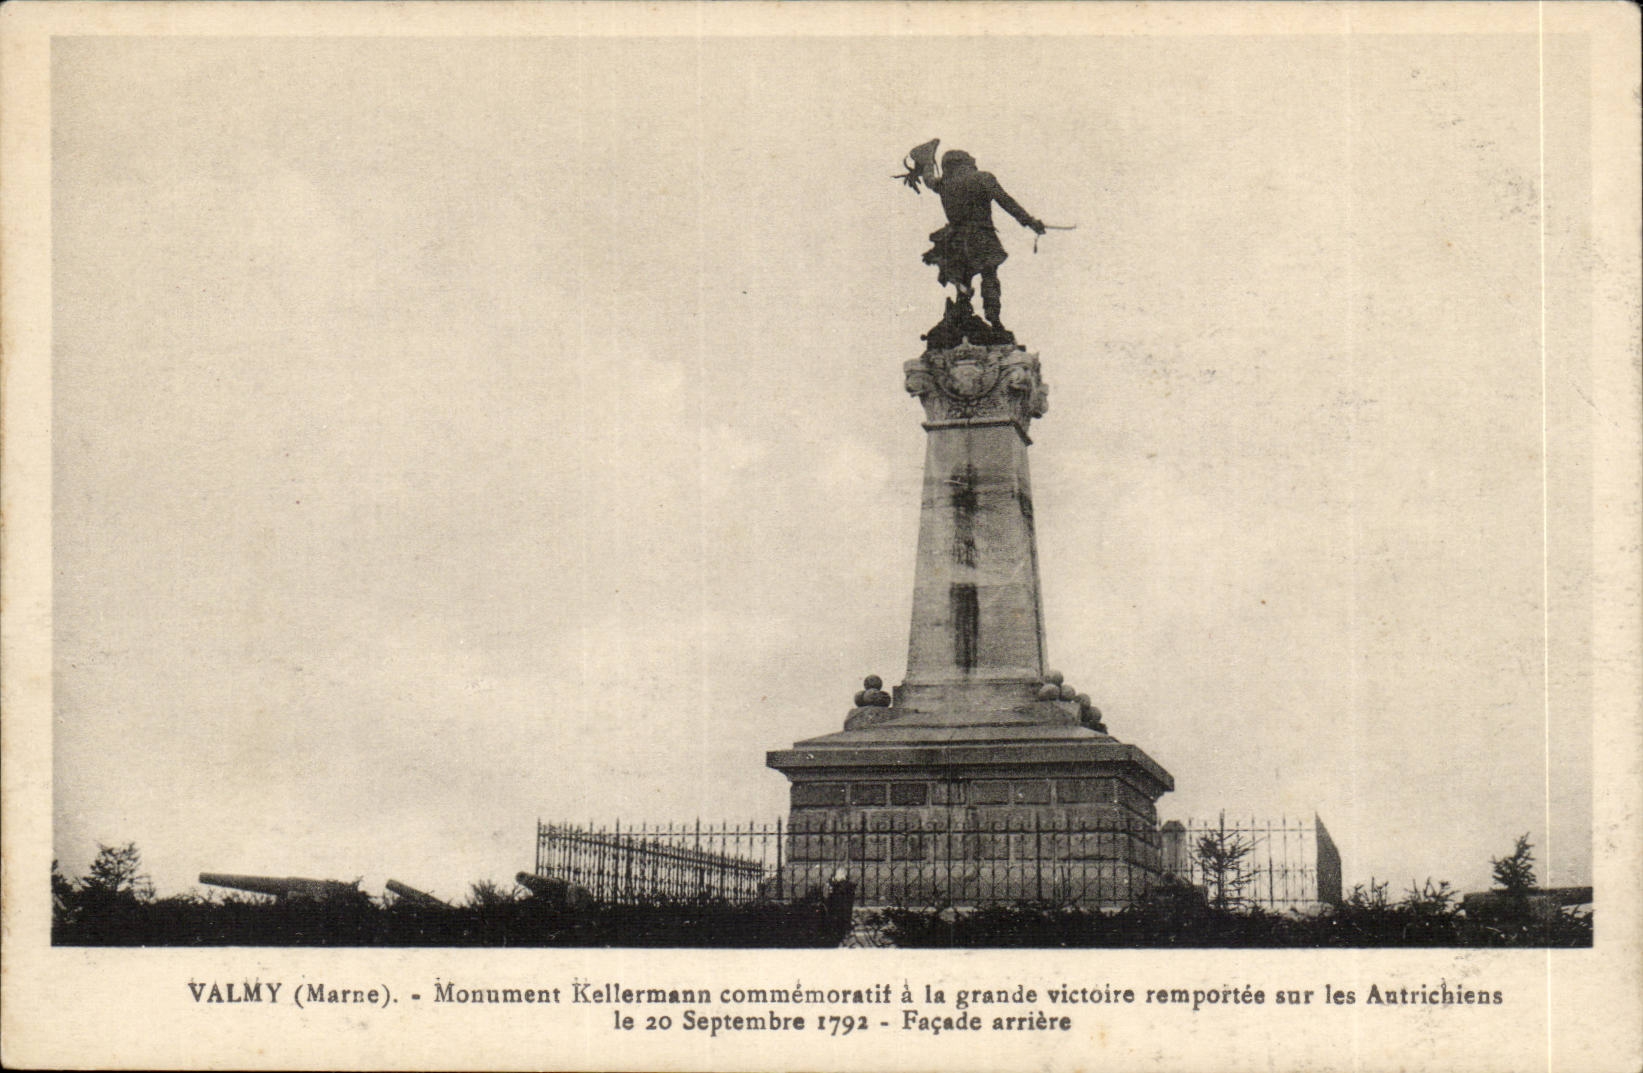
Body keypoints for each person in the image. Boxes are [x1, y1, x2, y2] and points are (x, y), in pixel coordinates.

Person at [916, 147, 1046, 334]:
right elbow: (1006, 202)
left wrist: (926, 161)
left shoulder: (944, 184)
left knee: (963, 278)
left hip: (954, 239)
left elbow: (928, 180)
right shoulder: (983, 178)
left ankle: (962, 313)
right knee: (989, 275)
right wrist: (1030, 222)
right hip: (981, 235)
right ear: (966, 162)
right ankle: (994, 319)